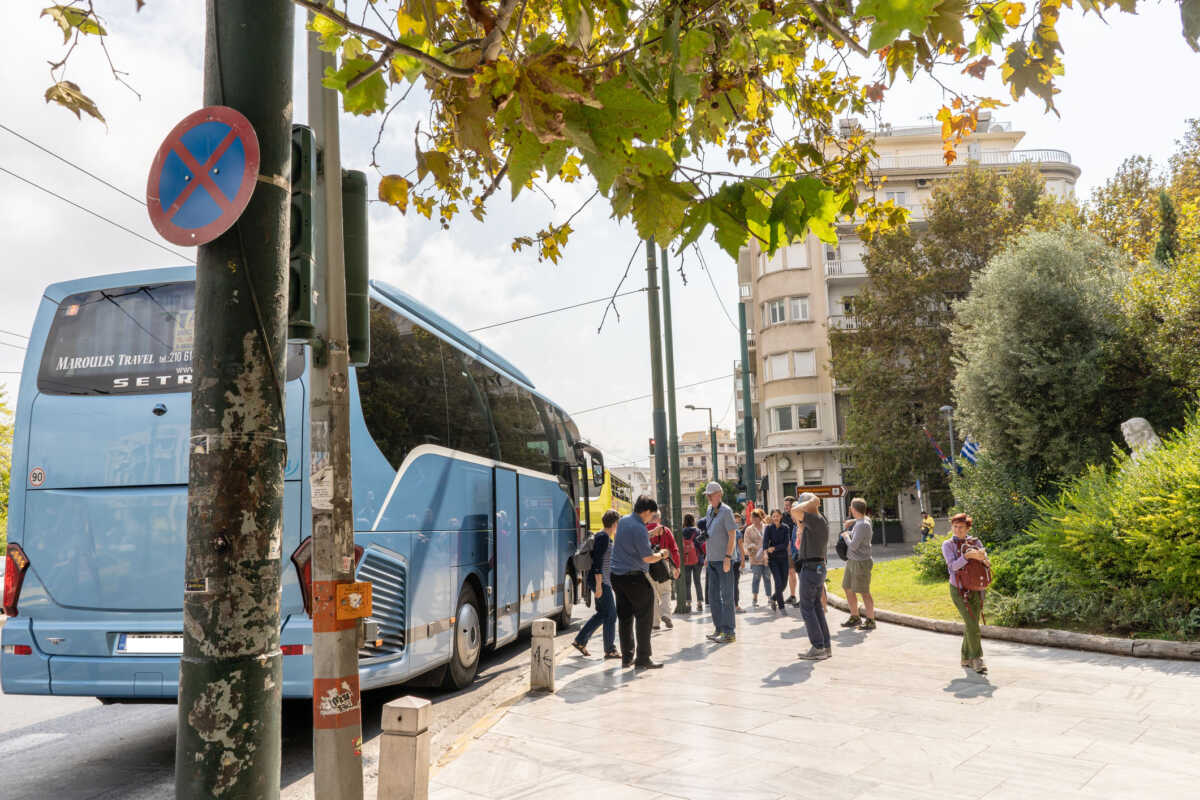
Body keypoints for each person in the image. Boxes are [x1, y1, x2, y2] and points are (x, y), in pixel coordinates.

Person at [610, 496, 669, 669]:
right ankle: (643, 658)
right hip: (635, 578)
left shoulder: (624, 521)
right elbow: (648, 557)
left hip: (617, 577)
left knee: (625, 618)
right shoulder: (639, 528)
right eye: (652, 514)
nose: (652, 518)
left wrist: (650, 533)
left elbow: (633, 539)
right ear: (646, 511)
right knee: (644, 617)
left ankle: (627, 658)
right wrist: (662, 554)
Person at [943, 513, 989, 674]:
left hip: (977, 587)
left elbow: (987, 563)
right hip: (958, 589)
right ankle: (977, 659)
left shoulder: (976, 542)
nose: (957, 530)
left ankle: (965, 657)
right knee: (971, 623)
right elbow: (952, 567)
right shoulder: (948, 545)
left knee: (972, 623)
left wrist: (982, 558)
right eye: (955, 527)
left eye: (961, 527)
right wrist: (967, 556)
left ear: (968, 528)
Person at [571, 510, 620, 659]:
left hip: (601, 580)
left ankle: (580, 641)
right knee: (611, 614)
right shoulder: (603, 537)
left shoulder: (605, 537)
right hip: (599, 581)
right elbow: (598, 562)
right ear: (614, 523)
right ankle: (609, 649)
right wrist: (599, 585)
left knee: (603, 613)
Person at [792, 493, 832, 660]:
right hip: (816, 567)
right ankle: (825, 646)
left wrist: (810, 502)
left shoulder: (815, 518)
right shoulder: (818, 519)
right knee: (816, 607)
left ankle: (818, 646)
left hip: (811, 568)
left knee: (807, 608)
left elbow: (794, 511)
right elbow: (797, 518)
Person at [703, 481, 738, 643]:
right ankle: (719, 628)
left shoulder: (727, 511)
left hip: (723, 560)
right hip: (711, 559)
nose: (709, 498)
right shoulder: (710, 510)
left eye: (711, 495)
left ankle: (729, 632)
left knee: (727, 596)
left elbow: (732, 535)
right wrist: (706, 556)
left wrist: (728, 557)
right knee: (713, 597)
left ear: (719, 494)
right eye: (708, 495)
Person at [839, 497, 876, 631]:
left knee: (864, 592)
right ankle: (855, 616)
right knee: (847, 588)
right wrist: (852, 521)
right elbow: (865, 519)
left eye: (851, 506)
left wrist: (845, 536)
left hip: (861, 562)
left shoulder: (862, 525)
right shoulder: (862, 521)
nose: (849, 508)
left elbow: (853, 546)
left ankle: (871, 620)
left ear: (854, 509)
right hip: (852, 561)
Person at [648, 512, 680, 630]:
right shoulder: (665, 530)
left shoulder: (643, 530)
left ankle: (655, 623)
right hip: (663, 564)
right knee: (666, 592)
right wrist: (676, 567)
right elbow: (674, 548)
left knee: (653, 595)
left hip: (648, 565)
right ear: (659, 518)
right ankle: (666, 614)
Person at [762, 509, 791, 613]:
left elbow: (785, 543)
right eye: (773, 516)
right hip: (773, 559)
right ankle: (782, 607)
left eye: (777, 516)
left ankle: (773, 598)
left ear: (781, 517)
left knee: (784, 584)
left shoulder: (785, 528)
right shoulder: (768, 528)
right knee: (778, 582)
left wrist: (774, 548)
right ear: (771, 517)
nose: (775, 518)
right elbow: (765, 542)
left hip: (783, 558)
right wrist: (766, 552)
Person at [744, 508, 772, 607]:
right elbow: (746, 543)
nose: (754, 519)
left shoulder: (767, 527)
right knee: (756, 578)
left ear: (761, 518)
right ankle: (755, 598)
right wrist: (753, 548)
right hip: (755, 558)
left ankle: (769, 597)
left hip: (766, 557)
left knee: (767, 577)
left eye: (756, 517)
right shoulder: (748, 529)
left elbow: (771, 540)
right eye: (753, 517)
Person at [680, 514, 704, 612]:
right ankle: (699, 603)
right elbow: (701, 544)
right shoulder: (697, 531)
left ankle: (688, 603)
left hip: (686, 559)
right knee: (697, 581)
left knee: (687, 582)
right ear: (693, 520)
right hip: (697, 559)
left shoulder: (682, 531)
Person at [783, 495, 800, 607]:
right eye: (785, 506)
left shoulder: (799, 515)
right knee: (791, 572)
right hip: (788, 548)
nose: (786, 508)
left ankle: (802, 597)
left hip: (798, 548)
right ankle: (793, 596)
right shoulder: (783, 517)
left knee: (800, 573)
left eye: (788, 506)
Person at [732, 513, 746, 613]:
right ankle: (734, 605)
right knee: (733, 583)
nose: (737, 524)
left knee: (734, 583)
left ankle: (735, 604)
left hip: (735, 561)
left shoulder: (737, 533)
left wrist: (743, 561)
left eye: (738, 522)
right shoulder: (736, 532)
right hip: (732, 560)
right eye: (735, 521)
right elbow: (741, 548)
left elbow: (741, 548)